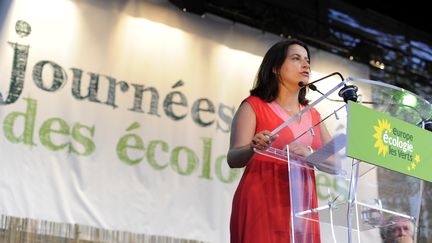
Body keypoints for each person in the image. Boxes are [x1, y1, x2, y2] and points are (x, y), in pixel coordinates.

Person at [227, 39, 333, 243]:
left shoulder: (313, 115)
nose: (306, 65)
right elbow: (233, 158)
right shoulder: (254, 106)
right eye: (296, 58)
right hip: (261, 200)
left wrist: (310, 155)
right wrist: (252, 147)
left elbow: (336, 164)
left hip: (302, 206)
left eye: (307, 60)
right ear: (275, 68)